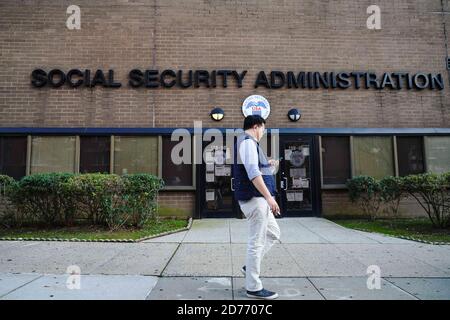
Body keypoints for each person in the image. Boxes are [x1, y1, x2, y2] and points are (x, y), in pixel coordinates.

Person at [232, 115, 281, 300]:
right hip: (256, 200)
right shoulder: (247, 143)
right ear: (256, 126)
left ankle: (249, 267)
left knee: (274, 233)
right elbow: (252, 173)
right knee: (256, 242)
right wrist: (269, 198)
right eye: (263, 129)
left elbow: (254, 168)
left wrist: (267, 163)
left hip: (258, 199)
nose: (263, 133)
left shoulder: (249, 144)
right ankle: (253, 287)